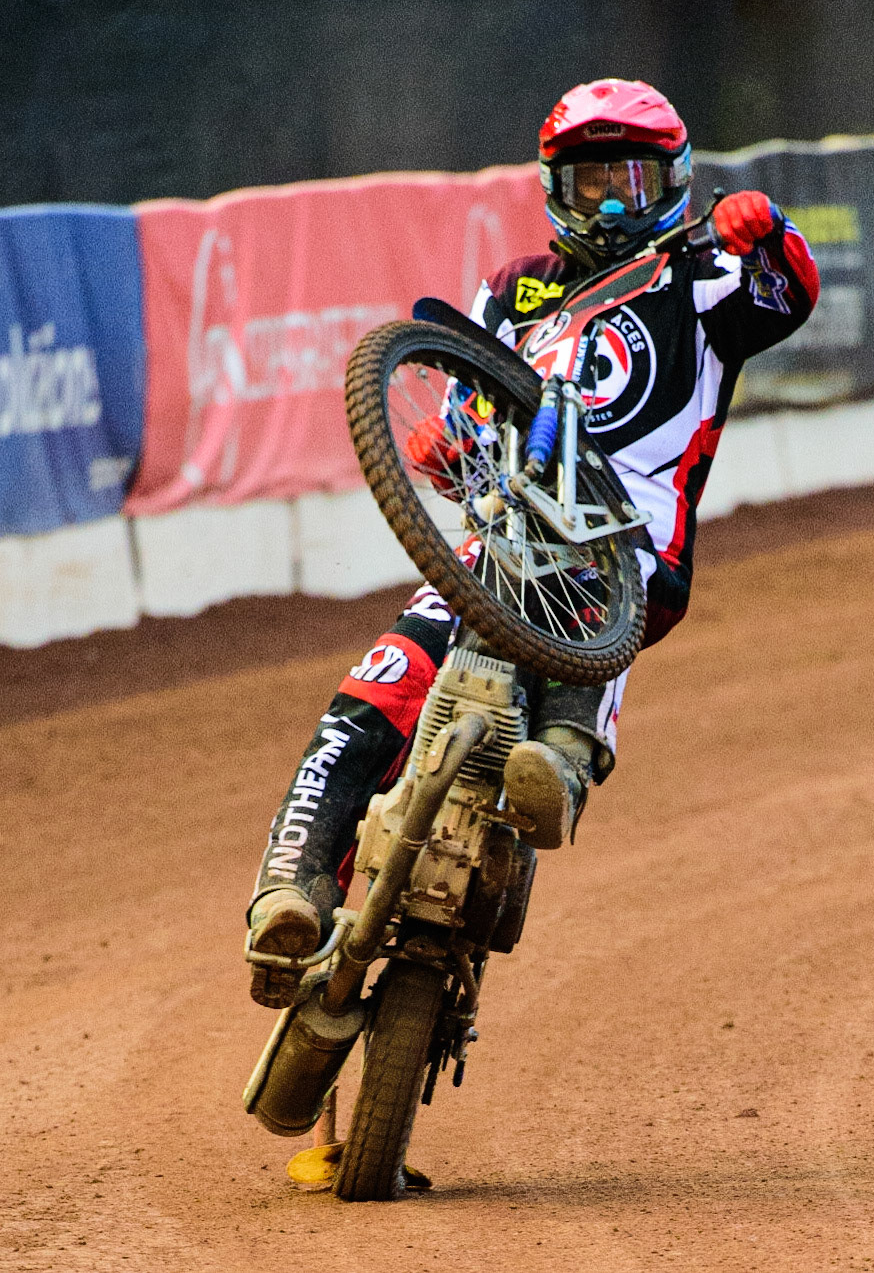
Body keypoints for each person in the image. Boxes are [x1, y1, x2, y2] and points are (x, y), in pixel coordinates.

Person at [247, 78, 819, 1007]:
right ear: (557, 185)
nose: (612, 200)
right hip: (495, 547)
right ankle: (291, 886)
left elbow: (786, 297)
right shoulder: (516, 288)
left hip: (623, 551)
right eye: (591, 181)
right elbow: (470, 394)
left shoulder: (703, 274)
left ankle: (559, 760)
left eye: (632, 180)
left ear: (673, 177)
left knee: (576, 649)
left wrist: (770, 230)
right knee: (375, 691)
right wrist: (449, 444)